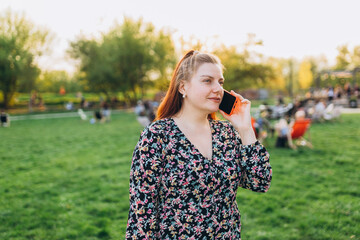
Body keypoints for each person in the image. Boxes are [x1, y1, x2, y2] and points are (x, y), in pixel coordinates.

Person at [125, 50, 272, 239]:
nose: (218, 89)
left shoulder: (226, 134)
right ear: (183, 87)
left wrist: (245, 128)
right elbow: (141, 215)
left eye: (220, 82)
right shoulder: (157, 136)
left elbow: (260, 182)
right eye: (207, 81)